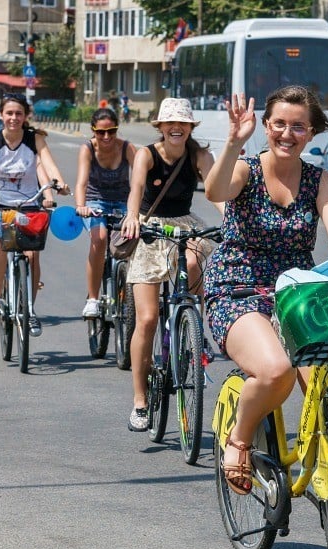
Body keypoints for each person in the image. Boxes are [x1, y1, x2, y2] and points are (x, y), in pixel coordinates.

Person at [201, 86, 328, 494]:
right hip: (236, 289)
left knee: (325, 391)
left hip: (295, 294)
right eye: (279, 124)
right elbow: (215, 191)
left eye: (298, 126)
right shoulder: (247, 169)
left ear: (310, 133)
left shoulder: (319, 180)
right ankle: (239, 440)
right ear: (265, 126)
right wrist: (232, 144)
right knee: (276, 370)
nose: (287, 133)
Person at [118, 97, 219, 432]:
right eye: (170, 123)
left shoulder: (200, 155)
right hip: (150, 225)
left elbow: (218, 194)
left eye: (183, 123)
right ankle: (140, 402)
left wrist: (232, 220)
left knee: (196, 260)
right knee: (146, 319)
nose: (177, 128)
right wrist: (132, 216)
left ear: (190, 127)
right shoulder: (147, 154)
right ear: (160, 127)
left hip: (185, 223)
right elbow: (135, 190)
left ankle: (192, 328)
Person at [0, 94, 70, 336]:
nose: (14, 118)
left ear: (26, 116)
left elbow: (49, 165)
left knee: (32, 254)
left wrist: (60, 184)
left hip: (29, 202)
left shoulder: (35, 139)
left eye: (19, 113)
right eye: (9, 113)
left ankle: (29, 310)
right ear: (1, 115)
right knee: (0, 241)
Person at [74, 107, 137, 318]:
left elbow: (141, 180)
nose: (107, 136)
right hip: (95, 202)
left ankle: (130, 290)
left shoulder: (127, 147)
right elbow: (81, 183)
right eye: (101, 132)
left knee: (133, 239)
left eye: (112, 131)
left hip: (122, 202)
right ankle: (92, 298)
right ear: (93, 131)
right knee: (99, 239)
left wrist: (138, 210)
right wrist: (82, 206)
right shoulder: (87, 149)